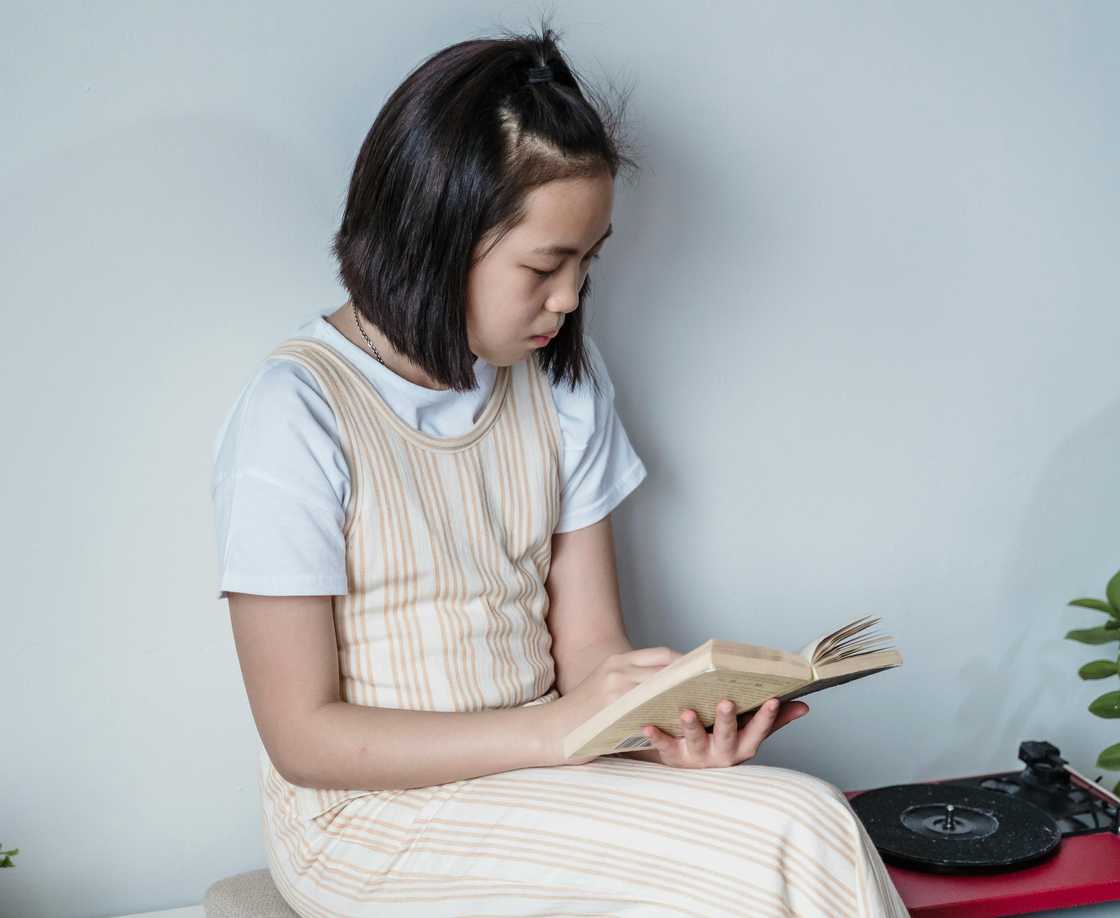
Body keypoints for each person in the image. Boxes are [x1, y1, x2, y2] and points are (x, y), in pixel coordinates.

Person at [210, 18, 910, 917]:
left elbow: (589, 653)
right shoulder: (297, 411)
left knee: (800, 817)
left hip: (542, 769)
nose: (572, 296)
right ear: (433, 231)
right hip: (367, 821)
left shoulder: (564, 387)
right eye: (546, 264)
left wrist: (657, 730)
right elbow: (303, 738)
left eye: (588, 262)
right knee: (793, 835)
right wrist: (559, 730)